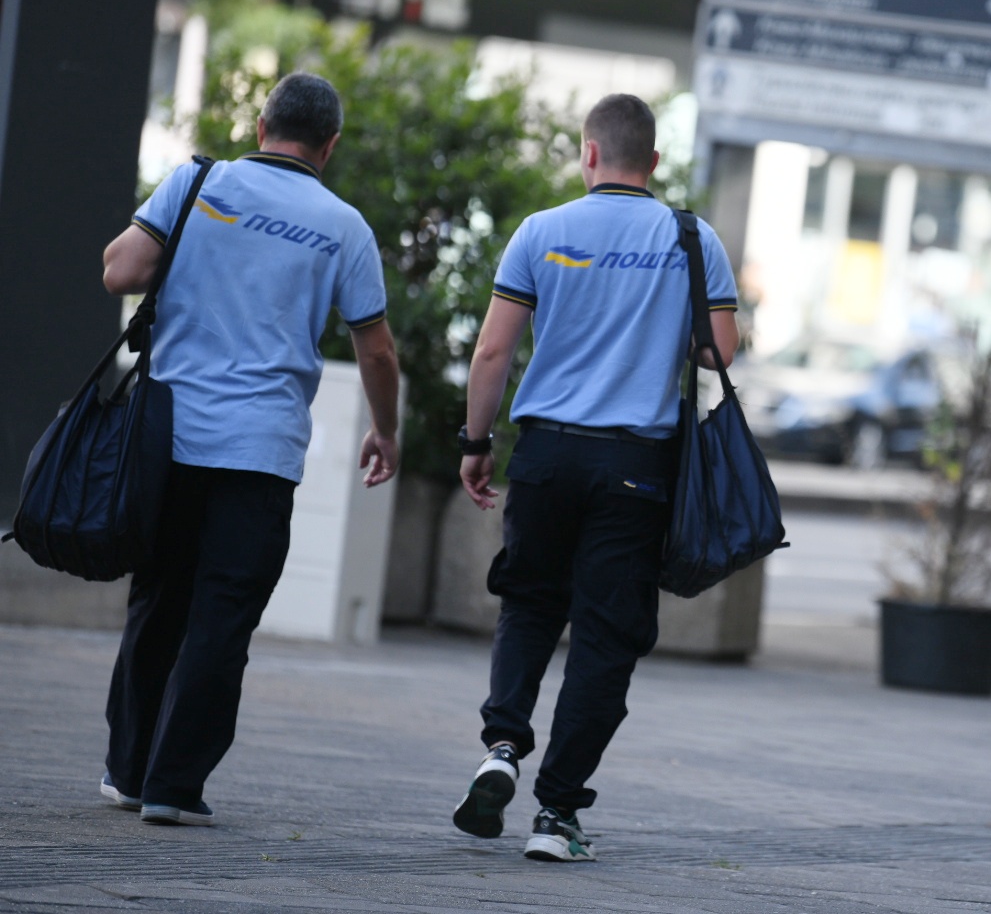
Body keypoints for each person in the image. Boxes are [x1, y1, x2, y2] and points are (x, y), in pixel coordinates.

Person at [98, 72, 400, 826]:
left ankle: (127, 771)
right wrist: (385, 429)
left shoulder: (197, 181)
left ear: (262, 123)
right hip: (260, 452)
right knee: (223, 618)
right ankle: (174, 785)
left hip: (171, 438)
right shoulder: (344, 225)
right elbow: (379, 355)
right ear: (329, 147)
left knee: (158, 600)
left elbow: (121, 272)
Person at [453, 93, 738, 862]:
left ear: (588, 154)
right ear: (653, 162)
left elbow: (491, 354)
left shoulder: (542, 232)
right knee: (606, 639)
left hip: (546, 455)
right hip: (635, 468)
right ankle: (555, 816)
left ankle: (502, 746)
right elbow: (720, 352)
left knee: (529, 602)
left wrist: (476, 442)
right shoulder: (691, 237)